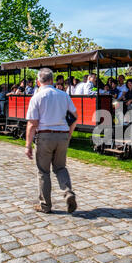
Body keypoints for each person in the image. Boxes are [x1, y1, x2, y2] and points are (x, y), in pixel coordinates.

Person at [25, 68, 79, 214]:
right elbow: (74, 116)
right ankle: (68, 193)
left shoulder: (37, 97)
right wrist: (69, 133)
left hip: (45, 136)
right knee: (60, 168)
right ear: (52, 80)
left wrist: (28, 145)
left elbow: (32, 124)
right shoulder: (63, 95)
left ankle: (45, 205)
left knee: (43, 171)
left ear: (38, 81)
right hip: (62, 135)